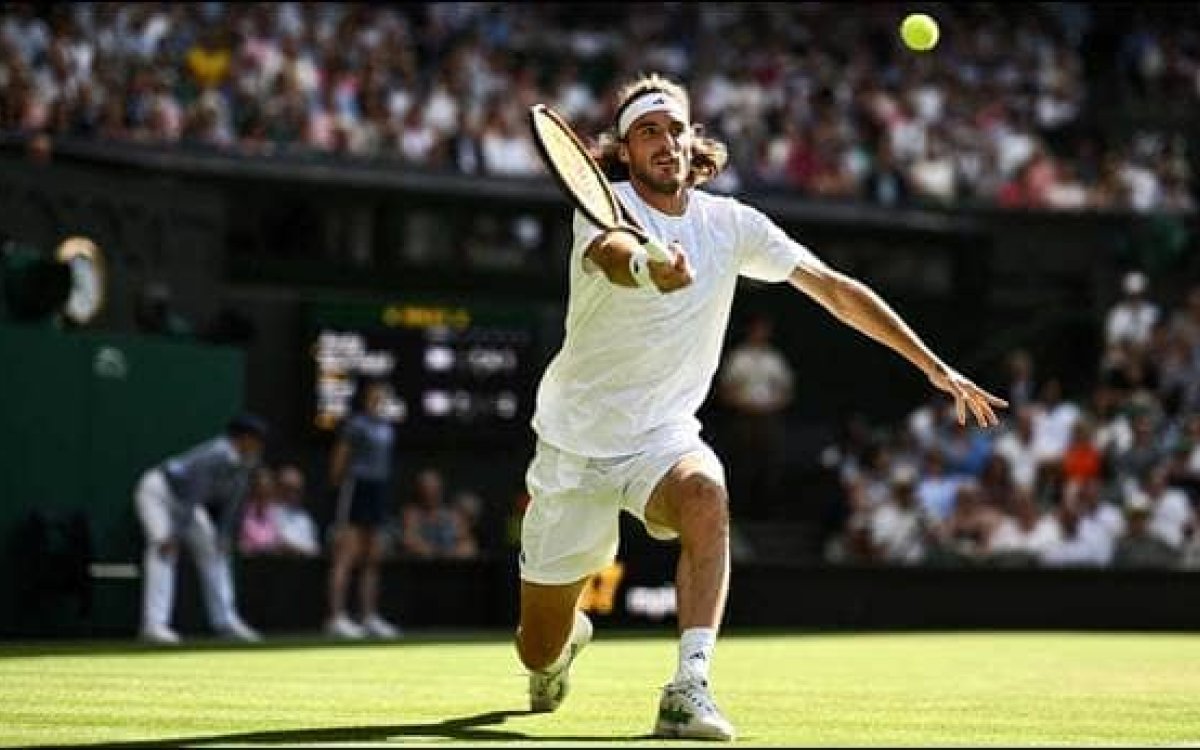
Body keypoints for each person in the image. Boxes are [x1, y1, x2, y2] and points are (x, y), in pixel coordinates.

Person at [515, 72, 1008, 741]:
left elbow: (833, 289)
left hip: (661, 439)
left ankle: (688, 687)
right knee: (535, 649)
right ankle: (565, 640)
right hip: (573, 448)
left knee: (705, 494)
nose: (665, 143)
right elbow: (610, 252)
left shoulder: (733, 223)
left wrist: (936, 366)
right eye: (647, 133)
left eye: (675, 129)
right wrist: (648, 268)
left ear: (694, 141)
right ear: (625, 152)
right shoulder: (604, 205)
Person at [133, 413, 269, 644]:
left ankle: (225, 621)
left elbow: (234, 502)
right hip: (158, 492)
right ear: (242, 438)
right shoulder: (214, 455)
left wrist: (224, 536)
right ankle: (154, 625)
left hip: (186, 503)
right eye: (256, 438)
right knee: (163, 550)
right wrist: (174, 536)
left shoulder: (247, 461)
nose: (259, 444)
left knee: (216, 551)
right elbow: (192, 496)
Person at [325, 377, 402, 640]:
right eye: (375, 395)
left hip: (378, 491)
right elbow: (338, 463)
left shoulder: (388, 427)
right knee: (347, 555)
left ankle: (369, 617)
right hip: (356, 488)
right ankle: (336, 618)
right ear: (366, 397)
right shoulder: (355, 425)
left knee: (373, 557)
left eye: (384, 395)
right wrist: (341, 490)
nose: (380, 399)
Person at [716, 312, 795, 520]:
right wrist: (743, 404)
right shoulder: (738, 357)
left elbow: (787, 390)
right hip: (743, 416)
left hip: (769, 417)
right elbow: (726, 390)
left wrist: (773, 405)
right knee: (742, 463)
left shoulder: (774, 359)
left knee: (770, 463)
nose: (761, 333)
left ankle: (768, 511)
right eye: (757, 329)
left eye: (764, 329)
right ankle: (739, 510)